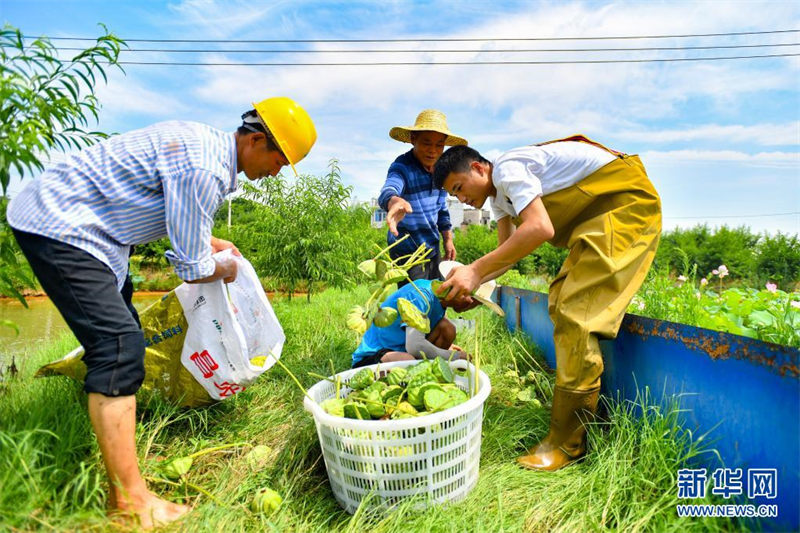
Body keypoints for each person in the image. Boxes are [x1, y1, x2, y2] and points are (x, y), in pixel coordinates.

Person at [7, 97, 316, 528]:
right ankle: (128, 503)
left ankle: (113, 437)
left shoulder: (206, 151)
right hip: (63, 226)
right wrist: (225, 266)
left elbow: (176, 220)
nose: (276, 172)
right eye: (279, 161)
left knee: (122, 338)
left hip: (98, 231)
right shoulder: (205, 170)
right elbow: (191, 269)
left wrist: (211, 245)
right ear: (257, 140)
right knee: (119, 347)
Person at [433, 136, 661, 471]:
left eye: (460, 186)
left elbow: (540, 227)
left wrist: (475, 270)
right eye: (454, 195)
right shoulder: (500, 199)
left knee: (576, 313)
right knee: (561, 303)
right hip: (596, 221)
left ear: (479, 168)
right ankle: (586, 421)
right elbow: (506, 258)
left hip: (623, 208)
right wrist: (475, 287)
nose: (462, 197)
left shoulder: (508, 169)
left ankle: (567, 444)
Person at [378, 110, 467, 285]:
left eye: (439, 145)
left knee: (437, 292)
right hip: (407, 251)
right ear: (413, 139)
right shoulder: (402, 166)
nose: (433, 151)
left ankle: (439, 314)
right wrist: (394, 201)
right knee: (416, 299)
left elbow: (441, 209)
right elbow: (389, 188)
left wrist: (448, 239)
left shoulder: (441, 171)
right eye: (426, 143)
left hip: (431, 246)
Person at [351, 278, 468, 368]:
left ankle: (424, 372)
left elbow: (420, 333)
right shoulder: (420, 295)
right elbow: (415, 346)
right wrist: (454, 357)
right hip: (373, 356)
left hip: (403, 349)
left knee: (447, 329)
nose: (471, 304)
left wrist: (446, 349)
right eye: (473, 299)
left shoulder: (441, 301)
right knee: (407, 360)